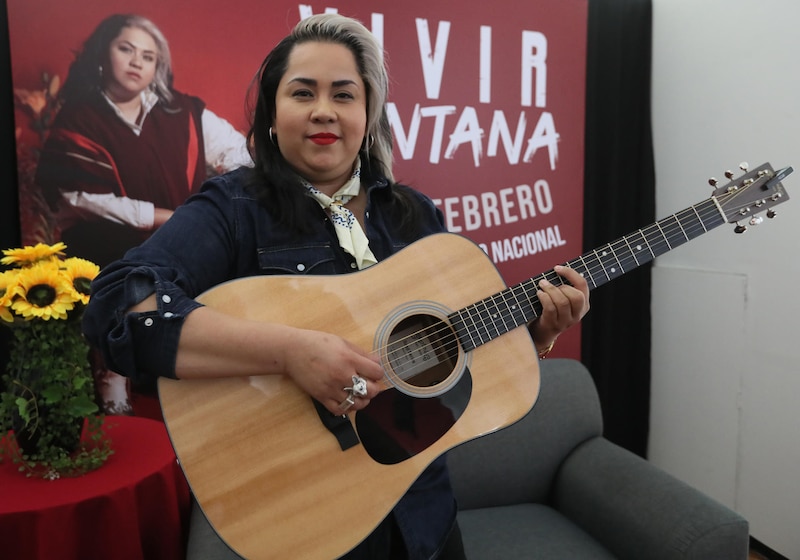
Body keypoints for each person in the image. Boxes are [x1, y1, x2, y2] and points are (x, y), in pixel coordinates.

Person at [82, 13, 590, 560]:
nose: (324, 109)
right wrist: (291, 351)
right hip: (305, 519)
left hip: (425, 517)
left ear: (368, 114)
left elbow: (446, 355)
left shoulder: (413, 216)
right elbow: (117, 307)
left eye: (343, 94)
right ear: (272, 115)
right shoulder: (233, 207)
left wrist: (534, 332)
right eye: (303, 92)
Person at [36, 13, 252, 414]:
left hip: (180, 240)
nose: (137, 62)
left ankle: (201, 388)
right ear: (104, 54)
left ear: (158, 67)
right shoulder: (78, 118)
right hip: (105, 241)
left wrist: (219, 204)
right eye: (126, 49)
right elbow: (79, 198)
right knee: (117, 263)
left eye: (148, 56)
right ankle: (113, 374)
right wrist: (166, 217)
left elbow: (241, 156)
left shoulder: (183, 113)